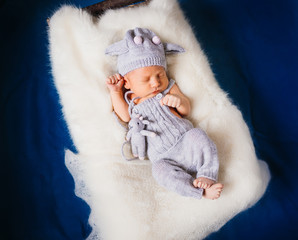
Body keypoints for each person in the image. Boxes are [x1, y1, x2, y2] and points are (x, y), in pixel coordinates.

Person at [105, 28, 223, 200]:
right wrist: (115, 92)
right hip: (163, 157)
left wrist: (178, 101)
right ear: (127, 83)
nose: (155, 83)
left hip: (185, 141)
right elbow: (125, 118)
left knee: (198, 136)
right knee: (159, 172)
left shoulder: (168, 88)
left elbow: (186, 110)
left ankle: (207, 174)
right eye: (146, 79)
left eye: (160, 75)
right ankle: (198, 191)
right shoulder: (132, 103)